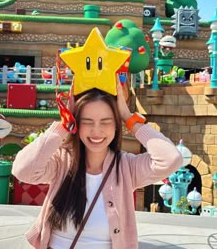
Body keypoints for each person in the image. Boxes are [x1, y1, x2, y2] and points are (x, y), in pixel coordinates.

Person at [12, 76, 182, 249]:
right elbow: (23, 170)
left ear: (116, 125)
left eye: (106, 122)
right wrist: (64, 124)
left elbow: (170, 159)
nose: (96, 131)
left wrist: (128, 118)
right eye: (87, 122)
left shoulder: (126, 167)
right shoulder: (61, 161)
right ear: (77, 124)